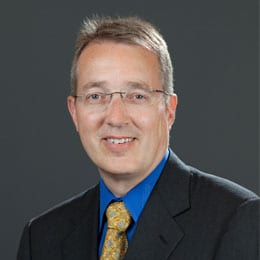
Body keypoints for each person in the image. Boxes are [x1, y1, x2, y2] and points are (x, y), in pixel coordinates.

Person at [17, 16, 259, 260]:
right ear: (74, 112)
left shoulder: (236, 219)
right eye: (96, 96)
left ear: (169, 109)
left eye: (137, 96)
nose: (116, 117)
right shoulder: (41, 237)